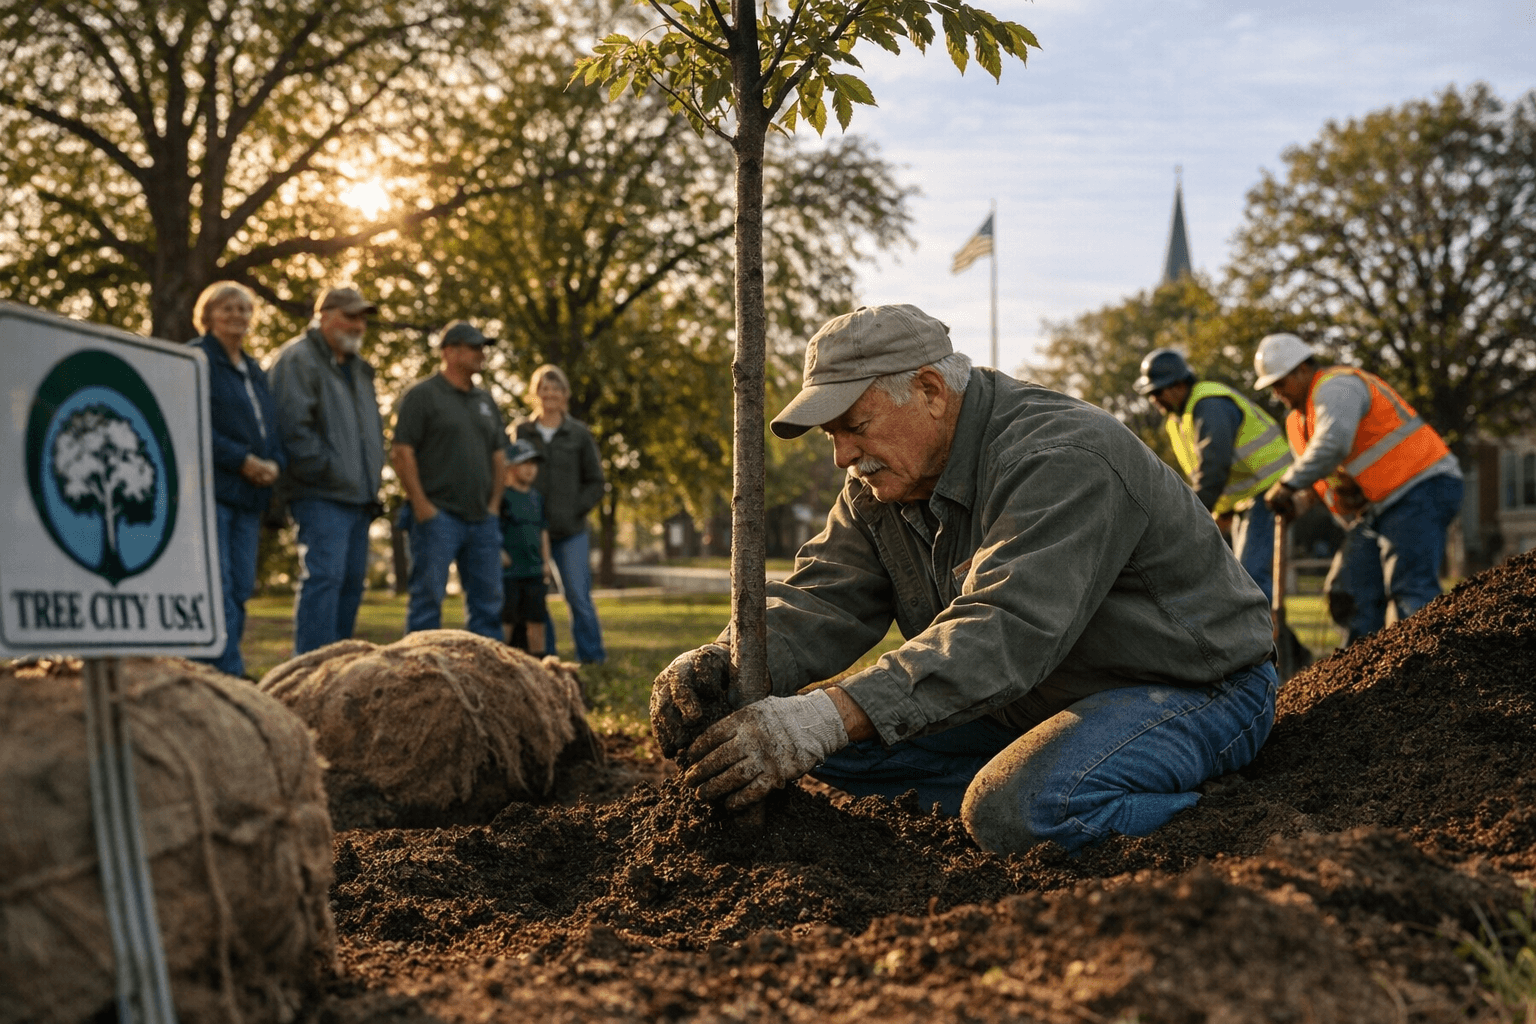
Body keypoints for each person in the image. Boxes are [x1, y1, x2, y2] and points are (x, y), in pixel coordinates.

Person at [651, 303, 1277, 856]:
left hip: (1193, 688)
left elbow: (1005, 630)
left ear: (928, 389)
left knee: (1017, 811)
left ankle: (1218, 823)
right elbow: (823, 596)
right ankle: (1032, 784)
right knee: (836, 746)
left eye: (854, 425)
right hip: (1034, 698)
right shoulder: (881, 485)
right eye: (830, 435)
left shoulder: (1061, 457)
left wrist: (822, 718)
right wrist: (724, 662)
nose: (842, 454)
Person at [1253, 333, 1464, 646]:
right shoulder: (1299, 420)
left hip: (1420, 486)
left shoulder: (1337, 387)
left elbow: (1333, 445)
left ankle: (1429, 674)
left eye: (1280, 383)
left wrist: (1286, 485)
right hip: (1379, 506)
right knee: (1349, 590)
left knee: (1410, 589)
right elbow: (1323, 477)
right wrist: (1298, 502)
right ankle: (1362, 676)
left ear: (1301, 370)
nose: (1277, 392)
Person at [269, 286, 387, 654]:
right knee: (325, 579)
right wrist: (327, 470)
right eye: (350, 316)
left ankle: (338, 671)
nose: (357, 325)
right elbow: (291, 428)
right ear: (324, 316)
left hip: (359, 497)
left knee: (352, 584)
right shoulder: (297, 359)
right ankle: (310, 672)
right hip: (320, 494)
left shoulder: (360, 370)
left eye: (361, 319)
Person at [1133, 348, 1292, 601]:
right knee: (1245, 576)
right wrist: (1220, 510)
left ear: (1176, 386)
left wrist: (1194, 515)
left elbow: (1214, 468)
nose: (1153, 399)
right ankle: (1281, 641)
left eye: (1156, 391)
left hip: (1272, 492)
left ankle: (1265, 640)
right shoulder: (1181, 417)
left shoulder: (1209, 405)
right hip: (1248, 498)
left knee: (1251, 578)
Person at [190, 281, 285, 677]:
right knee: (218, 588)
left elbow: (270, 426)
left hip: (251, 496)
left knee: (242, 587)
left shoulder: (254, 369)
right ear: (208, 315)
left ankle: (225, 667)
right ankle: (224, 673)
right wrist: (240, 460)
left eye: (244, 309)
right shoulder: (197, 359)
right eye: (227, 308)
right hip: (214, 490)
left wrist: (275, 462)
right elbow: (191, 422)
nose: (237, 315)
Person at [391, 320, 507, 639]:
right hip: (437, 517)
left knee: (488, 605)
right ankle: (419, 673)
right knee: (427, 603)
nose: (481, 354)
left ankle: (487, 675)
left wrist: (494, 507)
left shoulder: (485, 400)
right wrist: (423, 507)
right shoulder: (422, 395)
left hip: (483, 520)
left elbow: (499, 456)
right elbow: (402, 452)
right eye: (474, 348)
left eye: (482, 347)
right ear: (450, 352)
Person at [514, 365, 606, 664]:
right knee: (535, 597)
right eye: (544, 387)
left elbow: (595, 481)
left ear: (565, 394)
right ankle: (545, 658)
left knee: (578, 597)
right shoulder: (521, 431)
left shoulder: (578, 433)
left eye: (556, 388)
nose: (550, 393)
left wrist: (574, 509)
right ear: (535, 393)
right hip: (530, 530)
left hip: (571, 531)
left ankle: (592, 659)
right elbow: (508, 473)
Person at [498, 438, 554, 654]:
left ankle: (539, 664)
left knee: (536, 620)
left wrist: (546, 561)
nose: (530, 469)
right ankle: (503, 663)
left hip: (533, 570)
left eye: (534, 464)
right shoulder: (502, 496)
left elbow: (543, 531)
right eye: (524, 463)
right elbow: (493, 530)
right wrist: (500, 553)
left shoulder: (536, 498)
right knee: (508, 619)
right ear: (510, 467)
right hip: (509, 573)